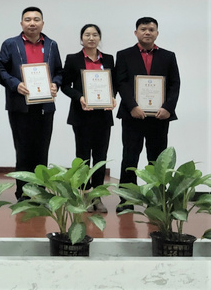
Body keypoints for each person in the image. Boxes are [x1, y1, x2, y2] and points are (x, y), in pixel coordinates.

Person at [0, 6, 63, 201]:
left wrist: (55, 84)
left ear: (42, 23)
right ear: (21, 23)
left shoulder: (51, 45)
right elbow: (0, 69)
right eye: (28, 19)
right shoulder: (10, 44)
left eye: (36, 19)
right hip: (20, 106)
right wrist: (15, 84)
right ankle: (24, 193)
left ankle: (40, 192)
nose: (32, 23)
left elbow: (59, 71)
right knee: (23, 151)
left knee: (42, 151)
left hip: (45, 107)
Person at [115, 17, 180, 212]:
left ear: (157, 33)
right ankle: (126, 199)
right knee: (130, 157)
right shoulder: (124, 55)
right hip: (132, 115)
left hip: (160, 116)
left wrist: (168, 107)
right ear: (136, 33)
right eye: (143, 29)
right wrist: (133, 106)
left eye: (151, 29)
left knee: (158, 160)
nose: (147, 32)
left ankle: (158, 199)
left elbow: (174, 84)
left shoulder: (168, 56)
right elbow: (121, 82)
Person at [61, 24, 115, 213]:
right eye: (87, 35)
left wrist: (112, 97)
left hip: (103, 115)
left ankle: (97, 196)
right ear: (81, 38)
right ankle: (84, 193)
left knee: (101, 157)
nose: (91, 38)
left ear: (99, 38)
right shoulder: (73, 59)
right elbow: (65, 86)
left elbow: (113, 83)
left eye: (95, 35)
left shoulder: (108, 59)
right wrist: (80, 98)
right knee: (83, 156)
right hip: (81, 115)